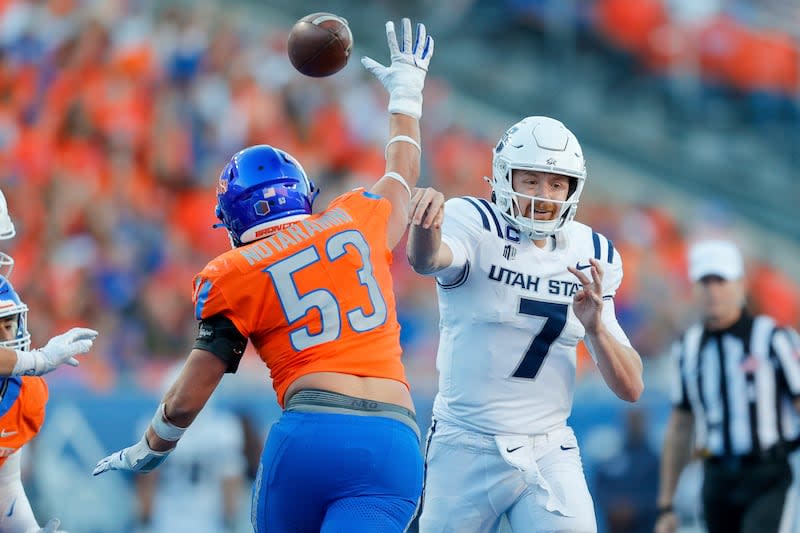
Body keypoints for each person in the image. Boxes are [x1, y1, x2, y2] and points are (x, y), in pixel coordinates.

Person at [93, 17, 434, 533]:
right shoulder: (357, 219)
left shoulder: (233, 270)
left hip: (314, 430)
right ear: (301, 194)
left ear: (233, 217)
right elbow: (401, 169)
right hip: (395, 438)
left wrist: (151, 447)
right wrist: (406, 93)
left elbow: (189, 396)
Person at [407, 115, 644, 532]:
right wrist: (424, 228)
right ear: (504, 178)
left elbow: (632, 386)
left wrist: (595, 329)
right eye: (530, 180)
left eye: (555, 183)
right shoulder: (477, 223)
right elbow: (427, 260)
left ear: (573, 188)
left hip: (548, 448)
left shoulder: (592, 251)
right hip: (465, 444)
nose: (543, 195)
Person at [655, 239, 800, 533]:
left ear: (740, 285)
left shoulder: (774, 339)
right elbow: (681, 427)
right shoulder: (688, 348)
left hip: (768, 474)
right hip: (716, 476)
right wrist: (666, 504)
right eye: (704, 282)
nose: (712, 291)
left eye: (720, 281)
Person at [133, 365, 245, 533]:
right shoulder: (225, 429)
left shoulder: (151, 429)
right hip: (210, 523)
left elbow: (147, 487)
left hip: (166, 521)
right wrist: (230, 521)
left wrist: (144, 521)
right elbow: (230, 489)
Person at [593, 408, 659, 533]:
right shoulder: (611, 458)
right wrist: (613, 505)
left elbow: (660, 496)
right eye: (631, 419)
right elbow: (599, 488)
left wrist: (634, 508)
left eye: (638, 420)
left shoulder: (655, 461)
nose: (634, 424)